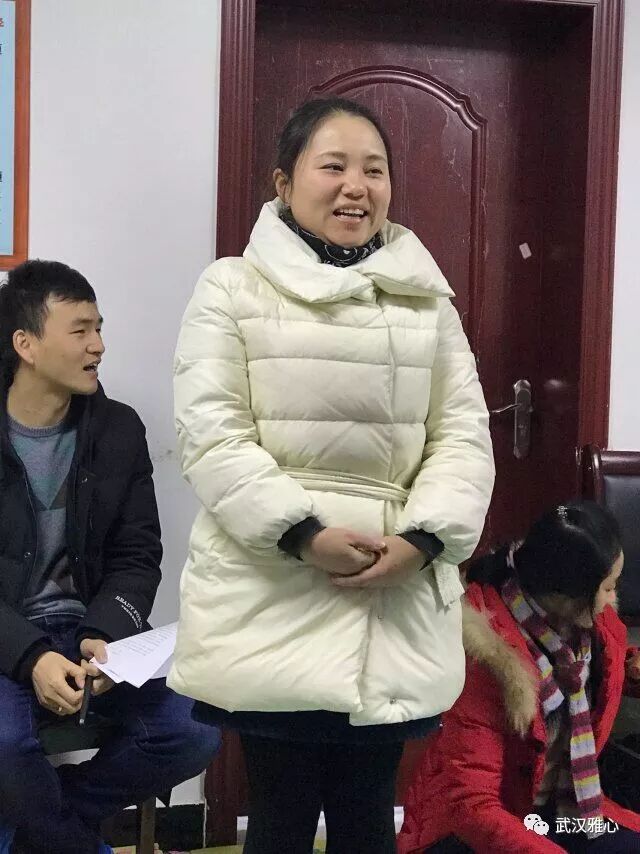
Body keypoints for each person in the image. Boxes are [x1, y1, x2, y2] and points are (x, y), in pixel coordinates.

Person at [169, 97, 494, 854]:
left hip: (394, 590)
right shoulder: (231, 287)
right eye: (334, 166)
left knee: (366, 813)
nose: (357, 186)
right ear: (284, 183)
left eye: (374, 170)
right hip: (271, 587)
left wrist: (423, 539)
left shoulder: (427, 302)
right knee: (279, 815)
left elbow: (463, 435)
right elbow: (212, 433)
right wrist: (302, 534)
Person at [0, 260, 220, 854]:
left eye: (99, 328)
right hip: (7, 639)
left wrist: (105, 633)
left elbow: (137, 553)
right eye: (80, 331)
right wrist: (31, 656)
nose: (98, 345)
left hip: (91, 634)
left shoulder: (118, 429)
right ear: (25, 344)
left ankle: (43, 831)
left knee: (193, 727)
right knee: (5, 746)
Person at [398, 500, 640, 854]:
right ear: (564, 594)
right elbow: (471, 807)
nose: (614, 597)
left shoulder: (585, 626)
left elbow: (609, 663)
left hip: (565, 811)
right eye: (608, 587)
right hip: (481, 828)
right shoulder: (484, 658)